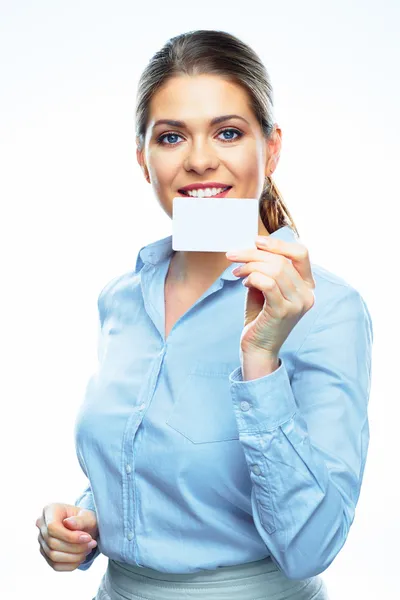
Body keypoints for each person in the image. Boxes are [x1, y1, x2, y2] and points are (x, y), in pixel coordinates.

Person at [35, 29, 373, 600]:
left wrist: (261, 357)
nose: (198, 159)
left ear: (272, 149)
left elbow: (312, 547)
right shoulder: (122, 297)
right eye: (171, 137)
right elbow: (154, 454)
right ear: (144, 160)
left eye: (228, 132)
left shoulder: (327, 310)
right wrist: (90, 520)